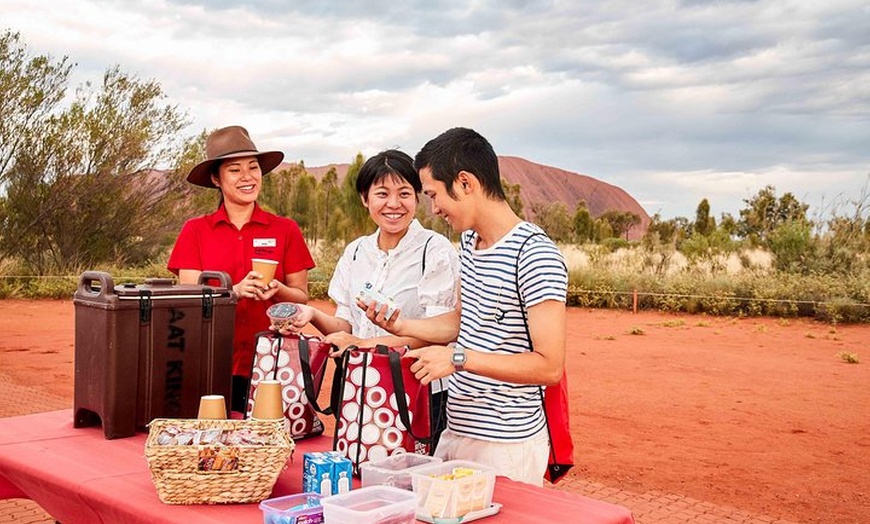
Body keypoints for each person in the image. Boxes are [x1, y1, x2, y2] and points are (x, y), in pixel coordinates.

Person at [365, 127, 568, 486]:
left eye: (433, 194)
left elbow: (549, 366)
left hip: (506, 445)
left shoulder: (534, 254)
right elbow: (463, 321)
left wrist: (457, 359)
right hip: (457, 430)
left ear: (464, 183)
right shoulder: (470, 243)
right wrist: (403, 327)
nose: (433, 208)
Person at [280, 149, 460, 444]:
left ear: (417, 197)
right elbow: (347, 327)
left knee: (414, 479)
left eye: (404, 193)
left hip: (419, 392)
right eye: (381, 193)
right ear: (365, 198)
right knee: (360, 474)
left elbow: (437, 333)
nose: (393, 204)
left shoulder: (435, 250)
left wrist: (363, 345)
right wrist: (312, 316)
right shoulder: (355, 252)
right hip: (361, 386)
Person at [167, 125, 315, 413]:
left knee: (268, 442)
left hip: (274, 361)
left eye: (253, 167)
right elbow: (188, 299)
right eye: (235, 170)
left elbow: (301, 297)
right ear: (216, 179)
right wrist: (232, 292)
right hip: (210, 359)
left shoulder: (286, 230)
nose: (247, 177)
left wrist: (279, 289)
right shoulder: (195, 231)